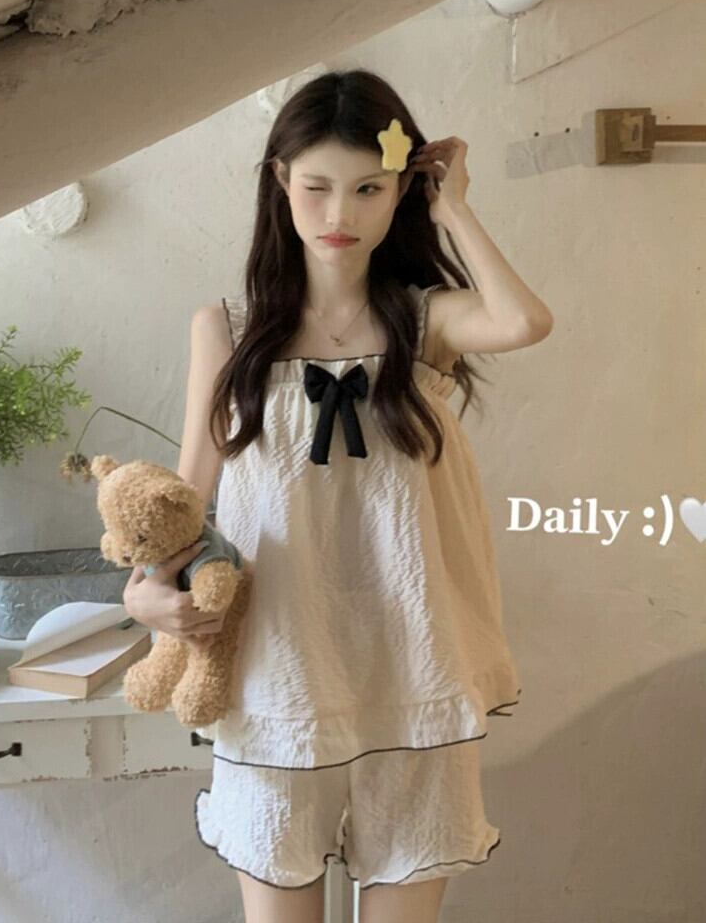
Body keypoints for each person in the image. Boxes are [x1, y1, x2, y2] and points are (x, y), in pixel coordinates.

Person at [123, 68, 553, 923]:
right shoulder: (229, 332)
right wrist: (144, 595)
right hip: (275, 682)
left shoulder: (426, 324)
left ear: (403, 191)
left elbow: (524, 321)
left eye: (368, 189)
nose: (339, 214)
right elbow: (183, 505)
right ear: (280, 181)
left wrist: (456, 207)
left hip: (415, 674)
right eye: (317, 187)